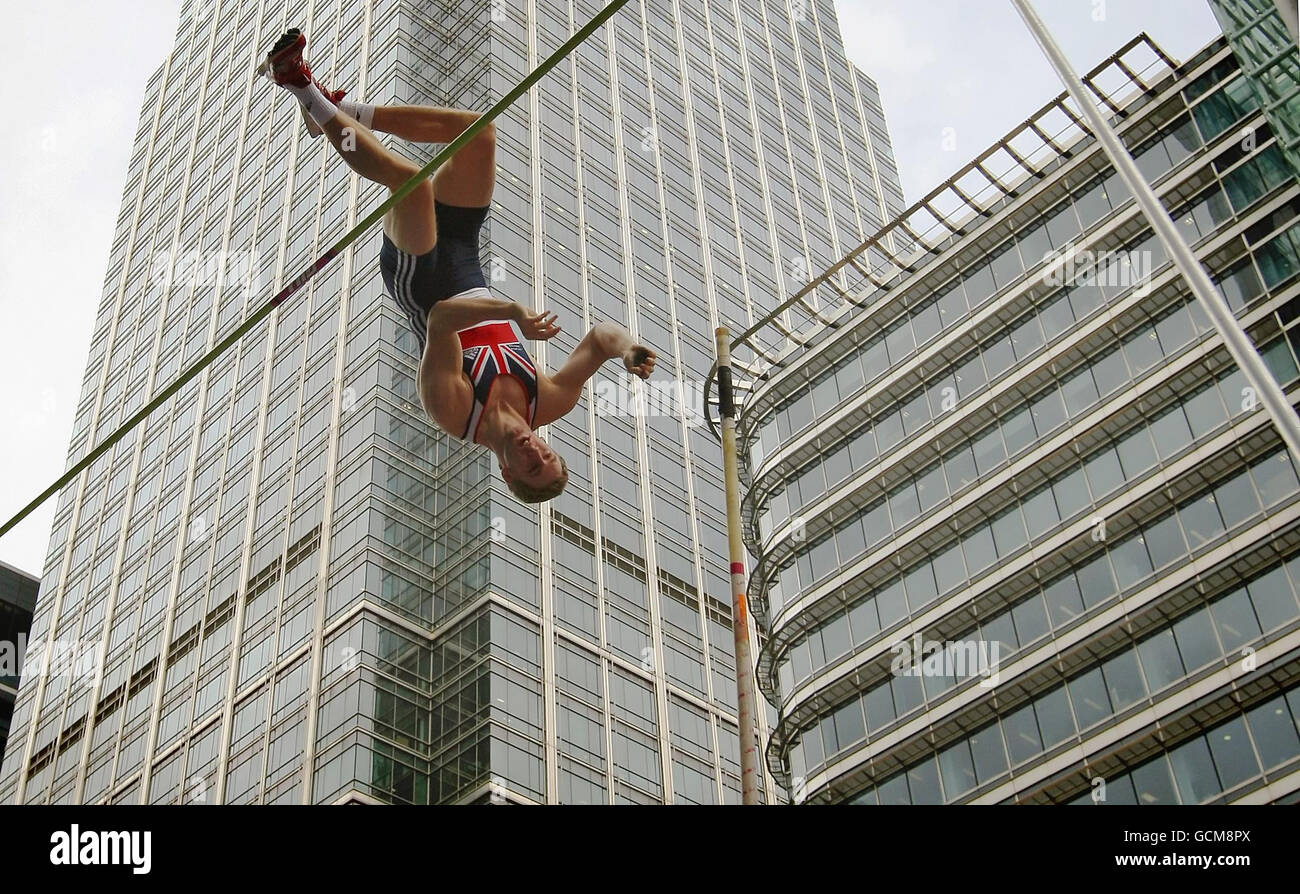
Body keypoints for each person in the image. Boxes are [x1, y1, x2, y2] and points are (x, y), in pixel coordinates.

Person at [263, 29, 657, 503]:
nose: (535, 452)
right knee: (479, 133)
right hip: (464, 256)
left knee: (412, 183)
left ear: (508, 474)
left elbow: (441, 319)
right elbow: (598, 340)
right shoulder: (548, 400)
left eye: (531, 466)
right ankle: (345, 112)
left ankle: (300, 86)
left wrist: (509, 313)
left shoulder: (453, 412)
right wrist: (629, 349)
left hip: (422, 282)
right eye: (547, 455)